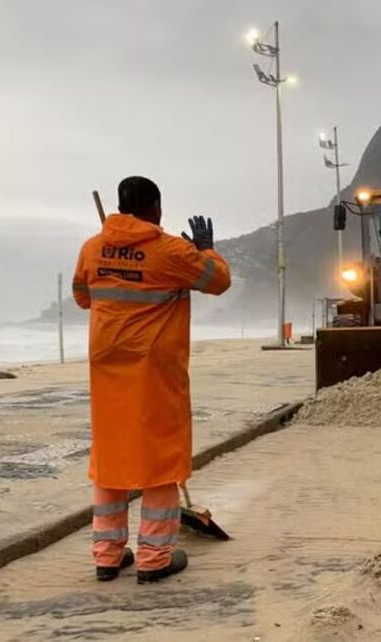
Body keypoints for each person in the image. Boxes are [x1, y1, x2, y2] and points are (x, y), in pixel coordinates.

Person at [73, 176, 231, 584]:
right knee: (160, 461)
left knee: (111, 461)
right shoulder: (172, 252)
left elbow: (81, 295)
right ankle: (153, 558)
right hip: (154, 375)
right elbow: (218, 280)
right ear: (156, 207)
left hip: (107, 374)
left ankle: (107, 557)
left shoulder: (91, 248)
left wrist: (117, 272)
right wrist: (204, 248)